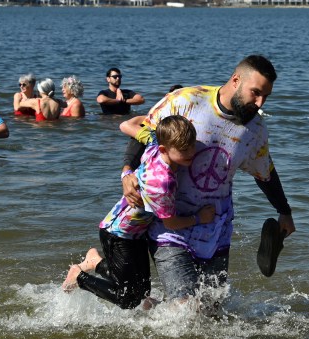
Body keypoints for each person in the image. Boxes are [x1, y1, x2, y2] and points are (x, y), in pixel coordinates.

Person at [120, 55, 296, 302]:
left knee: (212, 311)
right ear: (236, 80)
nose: (260, 103)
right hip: (171, 226)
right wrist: (127, 171)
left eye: (266, 96)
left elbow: (265, 172)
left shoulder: (255, 130)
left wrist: (284, 211)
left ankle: (147, 307)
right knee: (184, 307)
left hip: (216, 229)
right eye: (255, 93)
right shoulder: (186, 101)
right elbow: (146, 133)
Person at [62, 115, 215, 309]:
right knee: (128, 298)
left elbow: (127, 125)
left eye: (192, 146)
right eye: (184, 150)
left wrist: (151, 116)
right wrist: (199, 218)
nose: (192, 152)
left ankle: (95, 261)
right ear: (164, 149)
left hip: (135, 232)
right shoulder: (162, 182)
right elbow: (171, 223)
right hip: (118, 234)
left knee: (140, 291)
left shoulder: (153, 145)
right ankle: (79, 276)